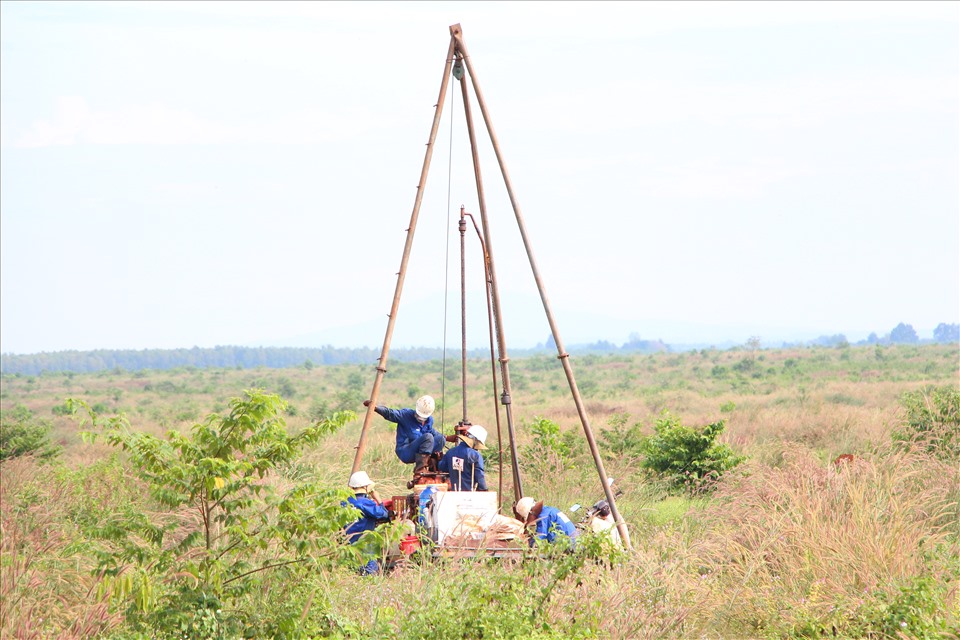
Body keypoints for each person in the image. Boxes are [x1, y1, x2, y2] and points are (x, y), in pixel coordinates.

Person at [364, 396, 445, 482]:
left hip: (420, 451)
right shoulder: (405, 415)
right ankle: (420, 470)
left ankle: (432, 466)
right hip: (406, 451)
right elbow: (390, 413)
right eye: (419, 415)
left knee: (441, 439)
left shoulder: (429, 421)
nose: (420, 418)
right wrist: (375, 408)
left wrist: (448, 438)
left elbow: (432, 432)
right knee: (428, 437)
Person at [343, 470, 391, 575]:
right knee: (369, 572)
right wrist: (378, 500)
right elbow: (383, 514)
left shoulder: (345, 502)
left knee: (352, 570)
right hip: (365, 541)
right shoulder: (365, 503)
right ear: (365, 487)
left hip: (347, 542)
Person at [437, 424, 488, 491]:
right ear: (475, 441)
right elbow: (479, 476)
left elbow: (442, 467)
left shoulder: (450, 452)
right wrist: (484, 490)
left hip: (454, 492)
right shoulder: (476, 455)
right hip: (471, 493)